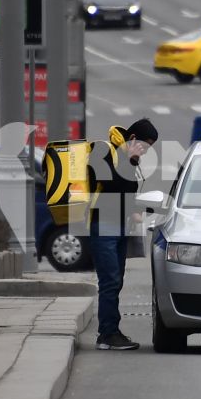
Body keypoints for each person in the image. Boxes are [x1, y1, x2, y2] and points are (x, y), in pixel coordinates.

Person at [83, 118, 157, 350]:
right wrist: (131, 160)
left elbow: (127, 190)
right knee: (110, 280)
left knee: (116, 280)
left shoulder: (125, 158)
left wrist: (135, 211)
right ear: (133, 138)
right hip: (103, 224)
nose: (144, 153)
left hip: (118, 225)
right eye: (144, 147)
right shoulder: (102, 151)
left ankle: (110, 331)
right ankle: (107, 334)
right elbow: (112, 185)